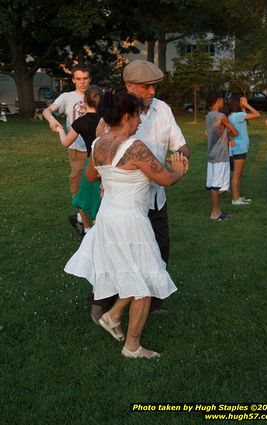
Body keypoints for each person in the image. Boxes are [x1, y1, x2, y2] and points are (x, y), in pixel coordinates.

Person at [64, 92, 186, 358]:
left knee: (133, 272)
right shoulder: (135, 147)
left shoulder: (97, 144)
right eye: (138, 115)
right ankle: (132, 346)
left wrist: (112, 179)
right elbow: (164, 179)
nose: (141, 120)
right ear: (127, 116)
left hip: (108, 218)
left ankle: (113, 315)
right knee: (145, 281)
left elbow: (91, 175)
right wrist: (179, 171)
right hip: (131, 221)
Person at [90, 60, 189, 322]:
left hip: (155, 198)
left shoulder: (163, 110)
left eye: (154, 86)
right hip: (125, 202)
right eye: (146, 87)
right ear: (129, 86)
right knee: (116, 255)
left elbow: (179, 144)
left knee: (159, 251)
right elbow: (99, 160)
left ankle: (151, 304)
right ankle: (104, 304)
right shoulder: (113, 117)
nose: (152, 92)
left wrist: (180, 156)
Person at [43, 64, 91, 234]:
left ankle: (82, 218)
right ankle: (85, 229)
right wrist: (51, 119)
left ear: (90, 79)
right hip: (77, 151)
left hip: (97, 151)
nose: (82, 82)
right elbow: (48, 110)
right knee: (78, 189)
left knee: (100, 189)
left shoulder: (96, 96)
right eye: (78, 79)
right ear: (73, 80)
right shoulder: (67, 97)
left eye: (85, 78)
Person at [56, 85, 102, 236]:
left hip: (91, 163)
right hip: (107, 163)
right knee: (102, 196)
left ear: (84, 100)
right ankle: (100, 228)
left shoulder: (80, 122)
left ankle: (88, 228)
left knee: (85, 196)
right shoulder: (106, 119)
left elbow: (65, 142)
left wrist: (60, 130)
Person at [205, 90, 238, 221]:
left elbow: (212, 133)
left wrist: (225, 132)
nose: (223, 102)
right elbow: (234, 132)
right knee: (216, 186)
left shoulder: (208, 116)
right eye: (222, 99)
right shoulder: (221, 116)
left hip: (212, 154)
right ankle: (214, 213)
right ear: (218, 100)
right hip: (220, 155)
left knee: (215, 184)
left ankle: (218, 211)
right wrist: (228, 131)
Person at [228, 94, 260, 205]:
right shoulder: (238, 115)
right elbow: (257, 114)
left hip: (239, 147)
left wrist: (243, 107)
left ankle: (237, 196)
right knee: (237, 174)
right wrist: (247, 104)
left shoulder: (235, 115)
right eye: (241, 102)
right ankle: (235, 199)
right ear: (238, 103)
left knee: (238, 173)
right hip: (239, 148)